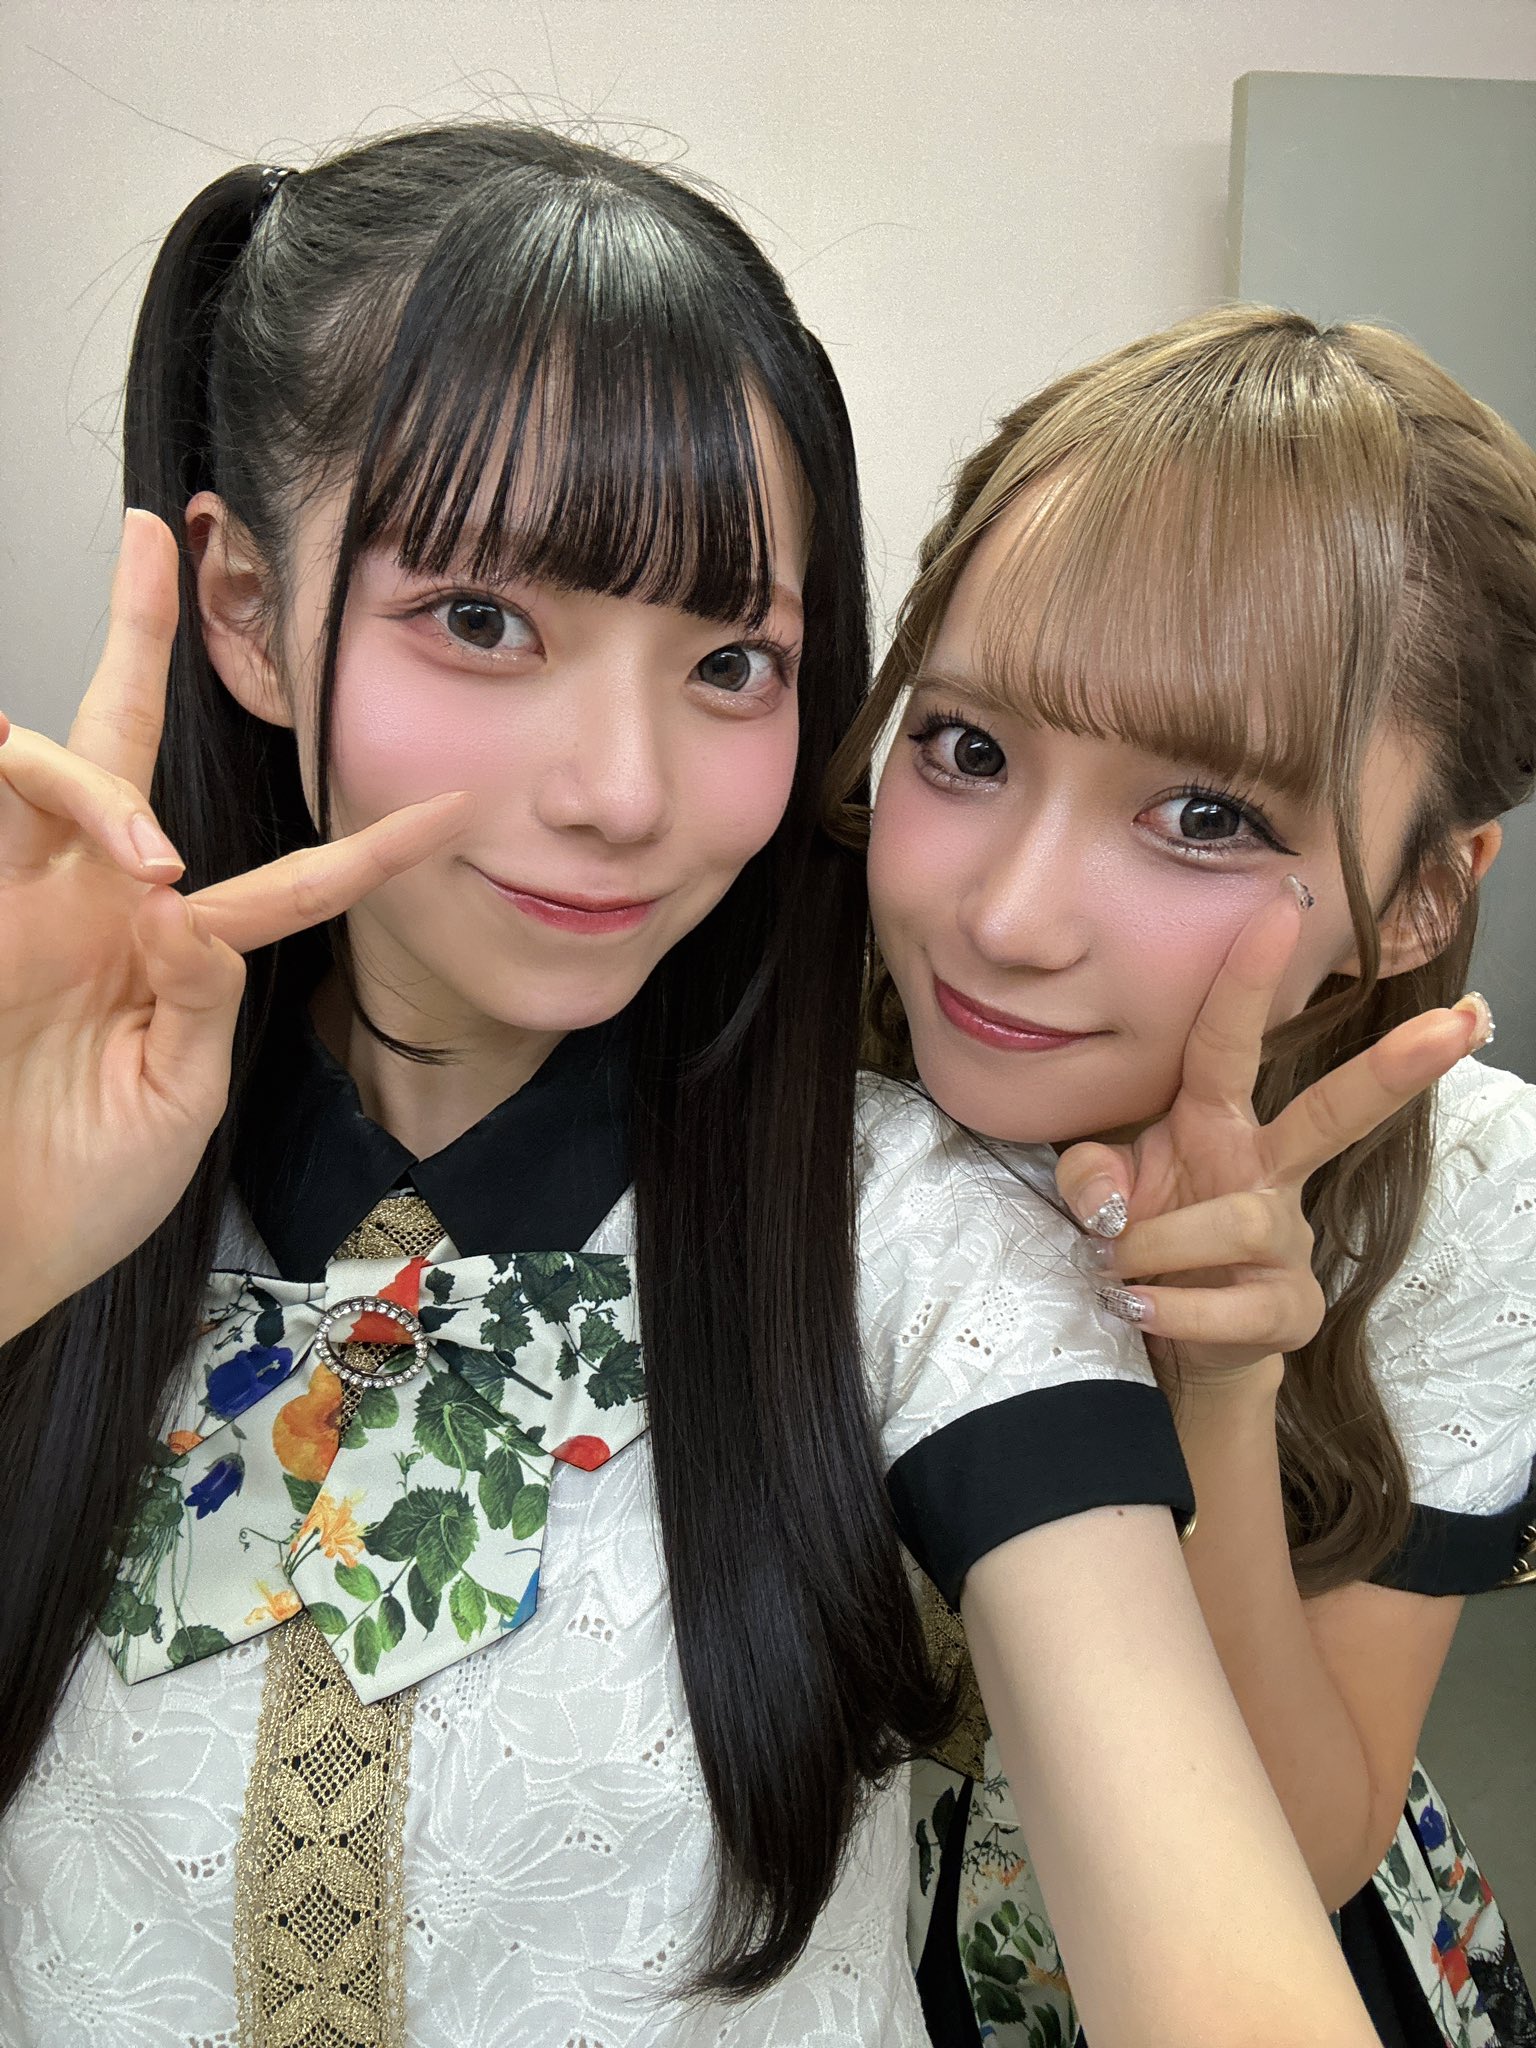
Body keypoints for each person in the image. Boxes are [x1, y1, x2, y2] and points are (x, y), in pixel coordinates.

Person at [0, 134, 1385, 2047]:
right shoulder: (55, 1148)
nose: (626, 793)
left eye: (733, 661)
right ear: (245, 607)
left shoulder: (913, 1244)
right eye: (483, 621)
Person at [831, 305, 1536, 2048]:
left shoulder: (1470, 1193)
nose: (1007, 917)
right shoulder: (770, 1076)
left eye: (1208, 816)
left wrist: (1219, 1386)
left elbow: (1309, 1848)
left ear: (1422, 898)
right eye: (967, 746)